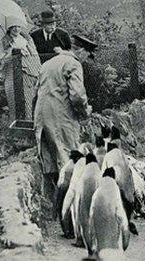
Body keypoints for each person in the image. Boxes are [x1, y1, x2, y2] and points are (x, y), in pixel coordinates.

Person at [34, 34, 94, 220]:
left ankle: (53, 210)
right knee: (69, 161)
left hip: (42, 117)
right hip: (61, 116)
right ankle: (67, 215)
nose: (86, 59)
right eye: (88, 55)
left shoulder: (49, 63)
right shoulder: (74, 64)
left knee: (50, 162)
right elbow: (76, 95)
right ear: (81, 50)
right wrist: (85, 112)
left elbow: (36, 91)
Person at [0, 18, 42, 120]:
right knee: (14, 103)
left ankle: (28, 124)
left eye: (19, 26)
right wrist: (11, 51)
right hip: (11, 76)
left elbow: (35, 58)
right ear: (9, 27)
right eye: (14, 26)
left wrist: (26, 54)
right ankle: (16, 127)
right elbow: (0, 62)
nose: (17, 29)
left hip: (28, 75)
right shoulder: (5, 41)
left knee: (28, 103)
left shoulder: (27, 40)